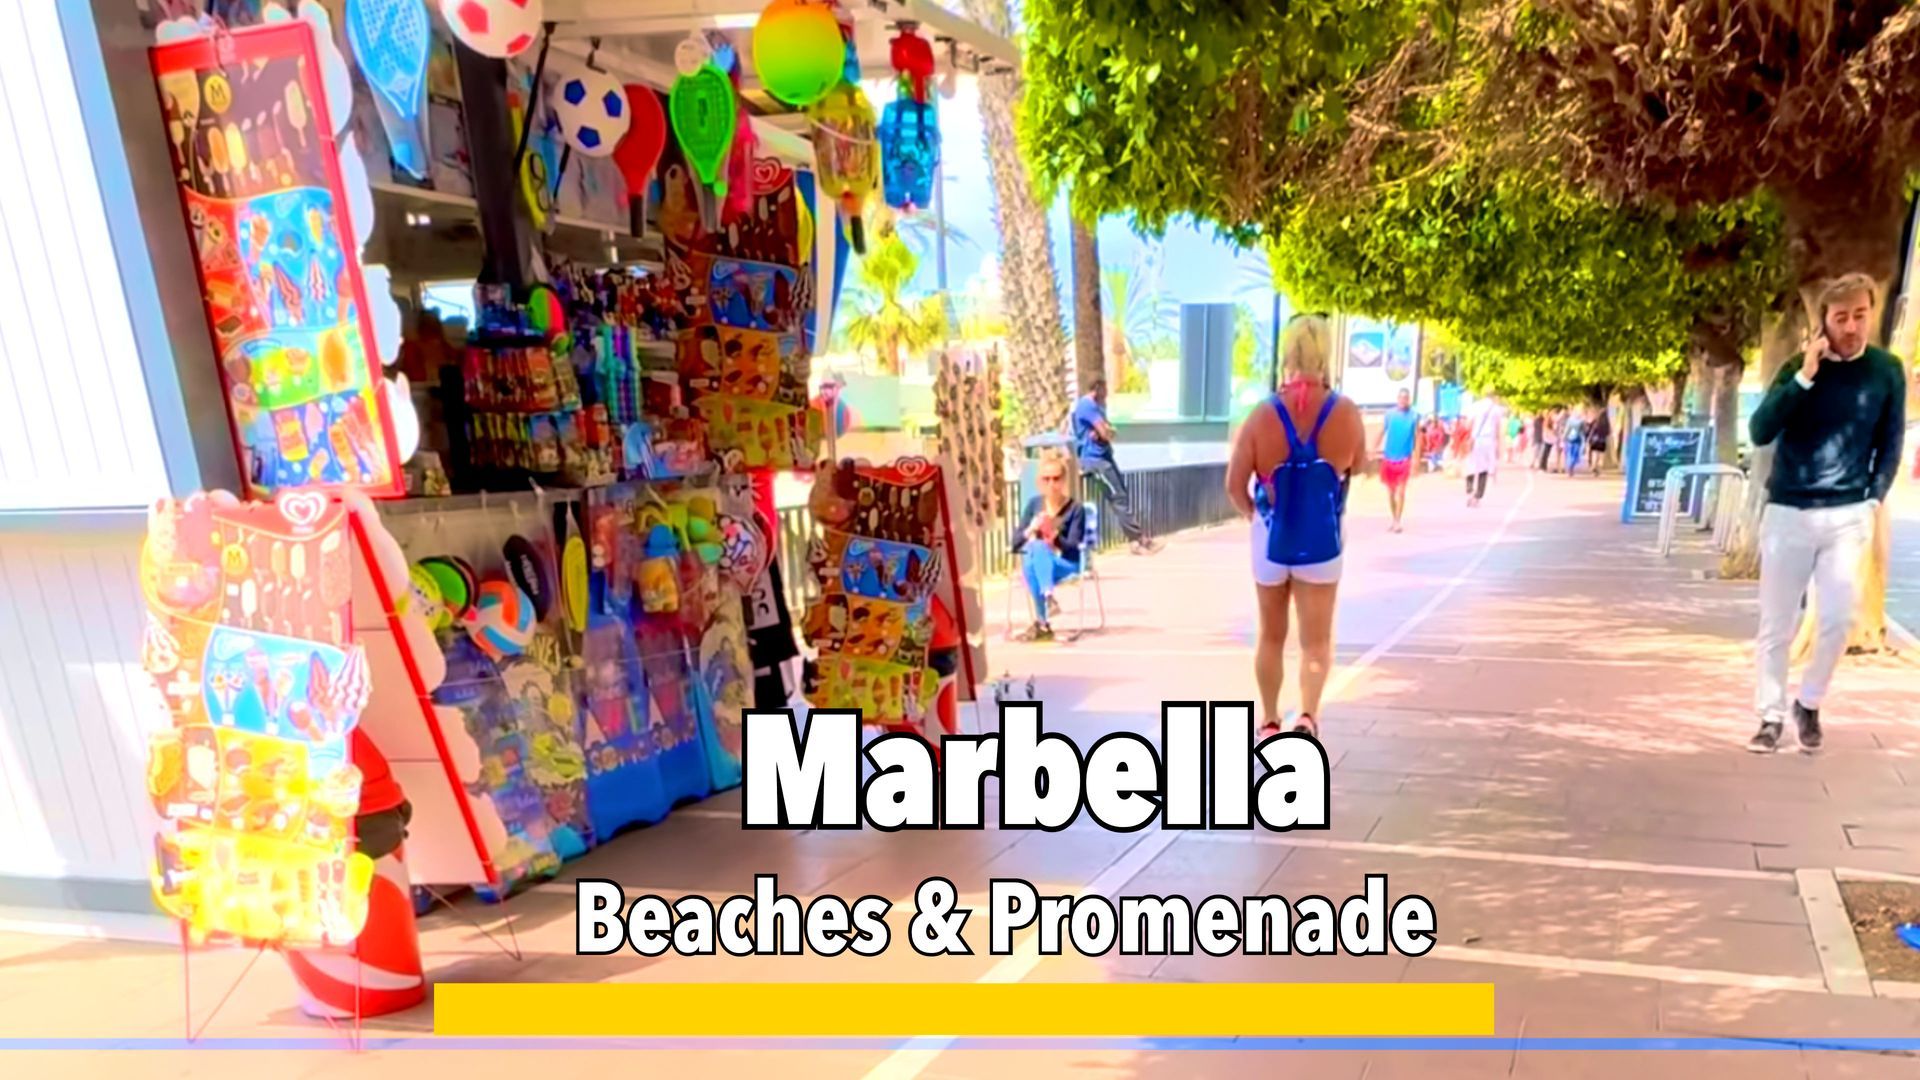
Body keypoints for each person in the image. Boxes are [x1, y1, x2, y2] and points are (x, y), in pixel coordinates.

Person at [1746, 273, 1906, 754]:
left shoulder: (1886, 370)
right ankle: (1770, 715)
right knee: (1776, 624)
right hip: (1789, 511)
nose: (1852, 326)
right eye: (1841, 317)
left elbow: (1890, 440)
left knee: (1837, 620)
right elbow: (1760, 430)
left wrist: (1873, 496)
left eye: (1860, 315)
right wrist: (1804, 377)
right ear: (1824, 321)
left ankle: (1809, 702)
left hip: (1847, 515)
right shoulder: (1798, 368)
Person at [1225, 315, 1366, 740]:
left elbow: (1233, 485)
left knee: (1270, 634)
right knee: (1316, 639)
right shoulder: (1345, 412)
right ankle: (1307, 716)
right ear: (1325, 355)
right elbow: (1358, 465)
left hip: (1271, 538)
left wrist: (1256, 515)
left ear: (1286, 355)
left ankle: (1269, 720)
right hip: (1322, 539)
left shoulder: (1261, 415)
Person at [1071, 379, 1160, 555]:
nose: (1107, 394)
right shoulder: (1087, 406)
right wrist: (1105, 431)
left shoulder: (1097, 407)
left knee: (1121, 494)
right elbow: (1107, 432)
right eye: (1105, 389)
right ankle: (1138, 540)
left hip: (1105, 457)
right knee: (1117, 498)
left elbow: (1110, 431)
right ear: (1097, 388)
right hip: (1095, 461)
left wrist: (1106, 431)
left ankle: (1136, 540)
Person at [1009, 451, 1087, 642]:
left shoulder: (1075, 509)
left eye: (1056, 478)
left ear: (1064, 480)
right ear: (1040, 482)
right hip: (1040, 562)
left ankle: (1042, 621)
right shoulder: (1034, 505)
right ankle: (1048, 599)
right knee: (1034, 554)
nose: (1052, 484)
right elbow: (1015, 543)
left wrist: (1054, 535)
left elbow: (1073, 547)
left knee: (1034, 556)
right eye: (1047, 479)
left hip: (1065, 563)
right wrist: (1031, 528)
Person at [1375, 387, 1420, 532]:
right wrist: (1373, 447)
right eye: (1401, 398)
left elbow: (1418, 437)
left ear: (1409, 400)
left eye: (1405, 398)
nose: (1403, 400)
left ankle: (1398, 521)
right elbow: (1382, 431)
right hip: (1389, 458)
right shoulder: (1390, 415)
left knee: (1401, 491)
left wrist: (1416, 459)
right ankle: (1394, 518)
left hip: (1405, 458)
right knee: (1391, 493)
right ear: (1397, 399)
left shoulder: (1414, 416)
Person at [1463, 394, 1504, 505]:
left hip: (1475, 439)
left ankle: (1469, 489)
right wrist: (1498, 446)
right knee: (1484, 467)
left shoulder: (1475, 406)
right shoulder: (1496, 409)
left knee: (1471, 464)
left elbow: (1468, 424)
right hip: (1489, 440)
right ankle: (1478, 495)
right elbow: (1498, 428)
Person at [1586, 403, 1612, 476]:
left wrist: (1589, 438)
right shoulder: (1606, 424)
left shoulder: (1596, 422)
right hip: (1602, 441)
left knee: (1595, 454)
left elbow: (1591, 430)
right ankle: (1597, 468)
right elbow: (1608, 432)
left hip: (1595, 440)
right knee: (1600, 455)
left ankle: (1594, 466)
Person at [1561, 406, 1586, 475]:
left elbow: (1567, 429)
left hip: (1570, 438)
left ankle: (1570, 466)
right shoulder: (1581, 421)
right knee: (1575, 454)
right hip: (1577, 439)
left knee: (1570, 453)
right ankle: (1571, 467)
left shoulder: (1570, 420)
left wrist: (1564, 437)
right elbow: (1584, 431)